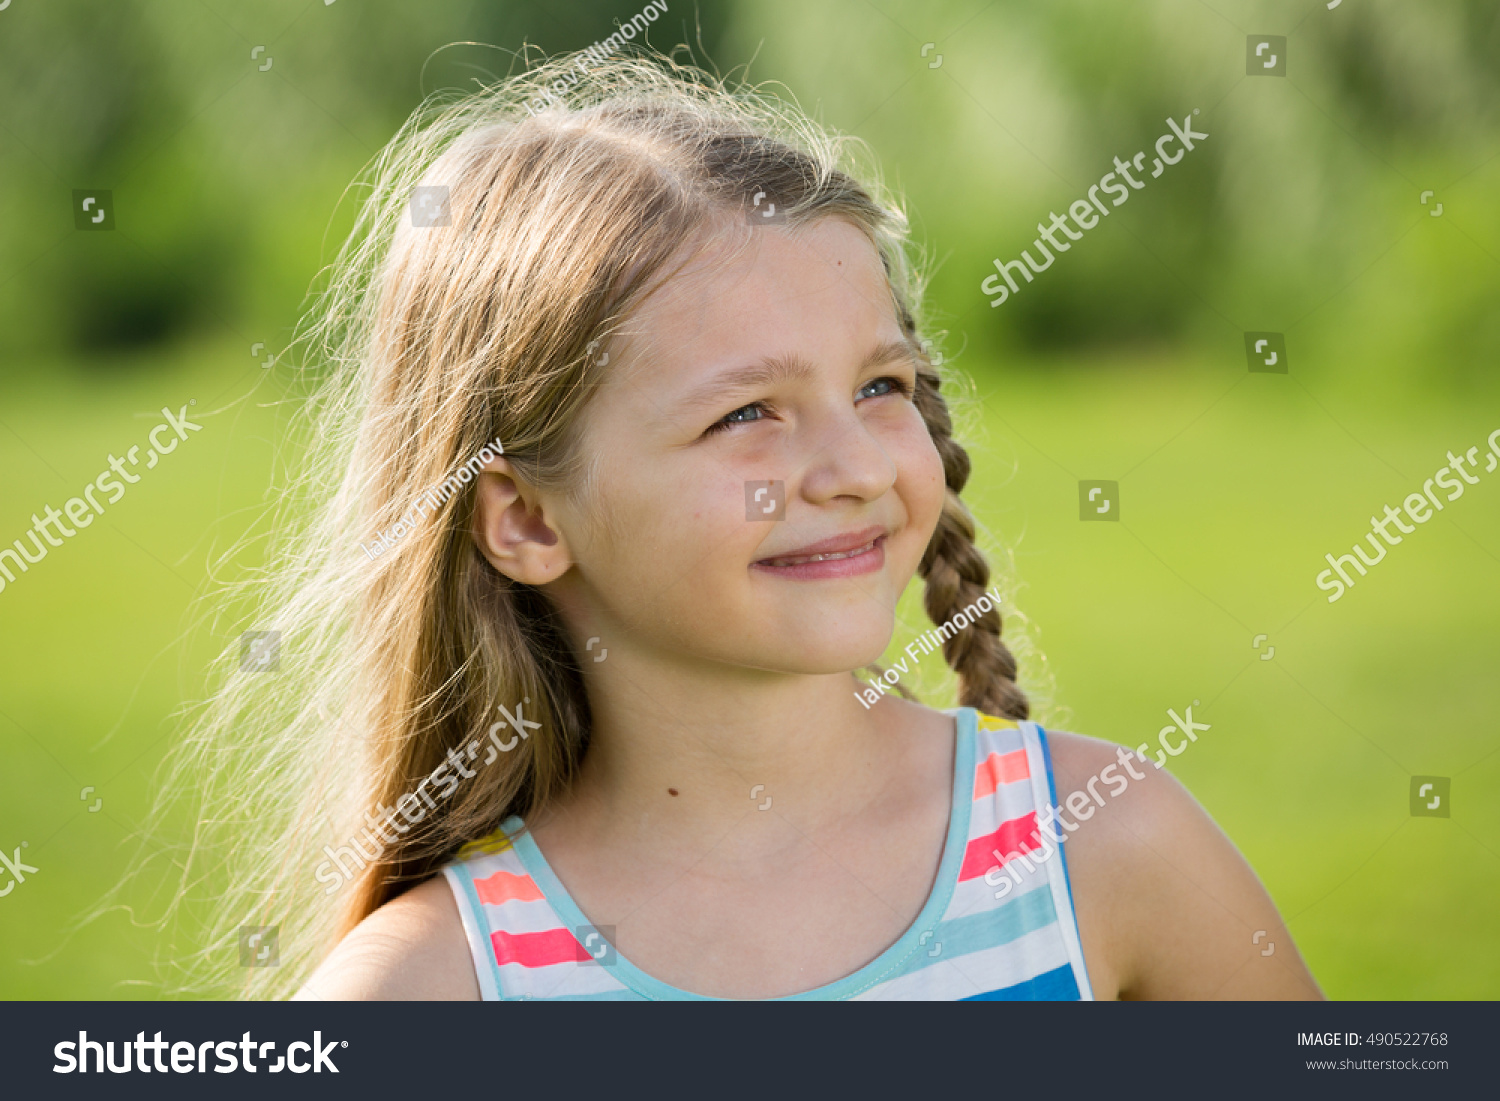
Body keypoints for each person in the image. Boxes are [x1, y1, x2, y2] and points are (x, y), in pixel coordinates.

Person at [210, 50, 1320, 1001]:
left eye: (882, 386)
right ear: (529, 520)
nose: (850, 468)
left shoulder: (1105, 848)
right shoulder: (439, 988)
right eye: (747, 414)